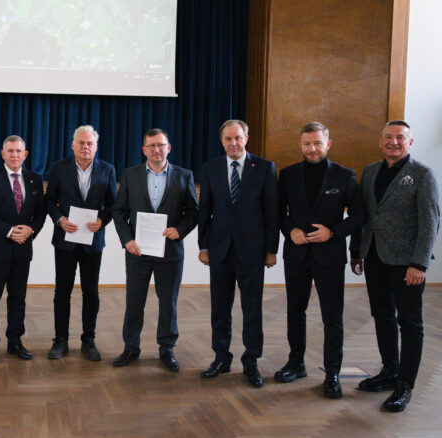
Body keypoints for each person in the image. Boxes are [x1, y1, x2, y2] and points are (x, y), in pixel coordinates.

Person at [350, 120, 440, 412]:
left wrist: (419, 264)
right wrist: (357, 252)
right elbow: (363, 216)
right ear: (380, 141)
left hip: (407, 265)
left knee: (410, 323)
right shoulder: (371, 171)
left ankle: (405, 384)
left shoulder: (423, 175)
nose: (393, 142)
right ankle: (389, 372)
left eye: (400, 138)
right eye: (388, 137)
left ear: (409, 142)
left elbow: (430, 224)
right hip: (375, 258)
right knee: (383, 316)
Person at [275, 122, 363, 398]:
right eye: (306, 144)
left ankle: (332, 373)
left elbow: (359, 216)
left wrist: (333, 232)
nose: (311, 149)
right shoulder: (287, 175)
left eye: (317, 143)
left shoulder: (344, 176)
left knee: (332, 317)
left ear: (328, 144)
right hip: (297, 255)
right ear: (300, 145)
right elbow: (278, 213)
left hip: (330, 256)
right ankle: (296, 362)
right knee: (294, 312)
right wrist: (291, 230)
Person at [198, 119, 278, 387]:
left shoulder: (264, 168)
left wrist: (271, 250)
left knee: (251, 309)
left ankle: (251, 361)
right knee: (220, 309)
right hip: (220, 250)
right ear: (222, 142)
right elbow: (205, 211)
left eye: (237, 138)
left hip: (253, 252)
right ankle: (221, 358)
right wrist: (204, 246)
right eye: (228, 139)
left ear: (246, 138)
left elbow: (272, 212)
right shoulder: (211, 168)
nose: (233, 143)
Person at [112, 128, 198, 372]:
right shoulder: (131, 175)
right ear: (144, 150)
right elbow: (119, 211)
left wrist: (179, 230)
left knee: (168, 302)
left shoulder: (184, 175)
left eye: (161, 145)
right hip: (138, 251)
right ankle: (131, 347)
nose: (156, 150)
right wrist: (127, 240)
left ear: (168, 147)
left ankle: (166, 348)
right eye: (151, 146)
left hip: (170, 252)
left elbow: (193, 212)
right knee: (134, 301)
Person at [45, 125, 117, 361]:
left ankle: (89, 340)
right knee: (62, 292)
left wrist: (102, 221)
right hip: (65, 240)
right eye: (81, 143)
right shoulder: (59, 168)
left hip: (92, 241)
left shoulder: (107, 169)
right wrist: (59, 219)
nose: (86, 147)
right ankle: (60, 340)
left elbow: (113, 206)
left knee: (91, 292)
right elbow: (49, 202)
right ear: (73, 145)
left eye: (90, 144)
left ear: (96, 147)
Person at [0, 135, 46, 365]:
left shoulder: (35, 179)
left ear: (25, 154)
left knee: (18, 298)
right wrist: (8, 231)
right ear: (2, 153)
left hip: (22, 250)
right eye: (10, 151)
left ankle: (15, 342)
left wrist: (31, 231)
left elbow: (41, 214)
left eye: (19, 151)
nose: (15, 155)